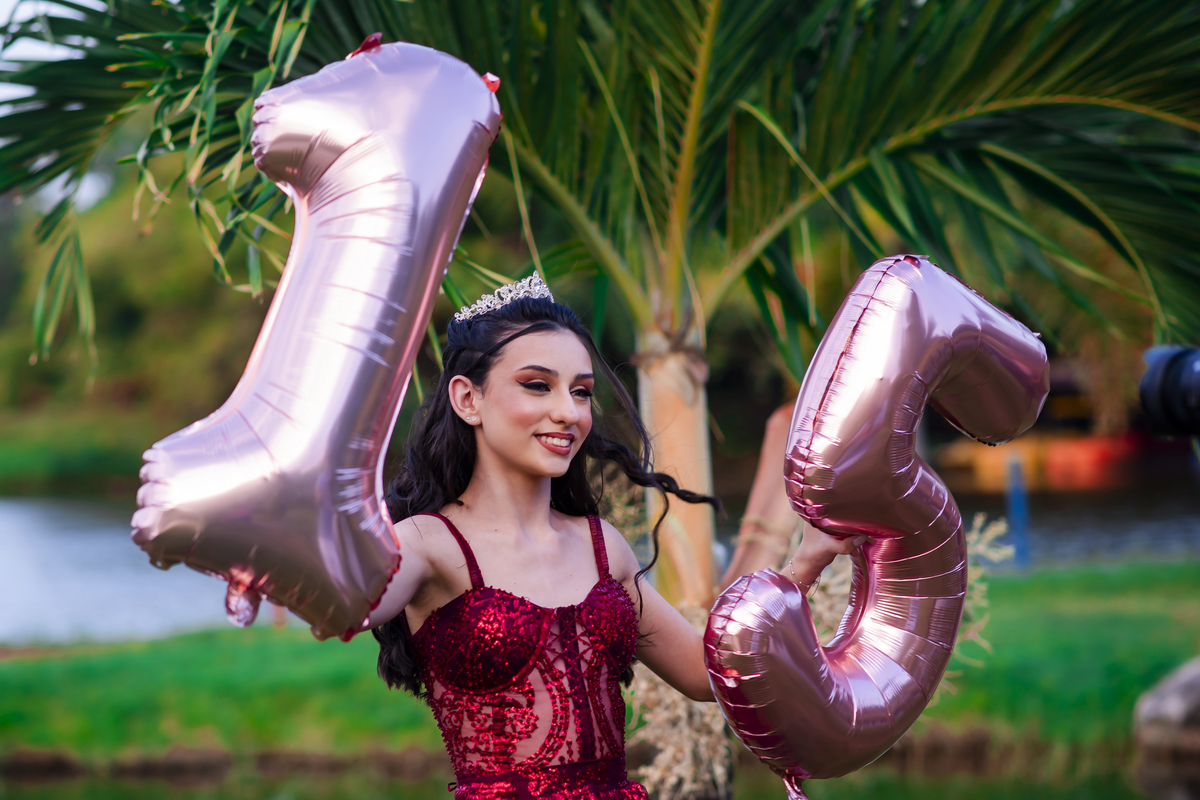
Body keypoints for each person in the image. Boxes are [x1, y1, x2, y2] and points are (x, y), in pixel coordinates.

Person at [368, 274, 858, 799]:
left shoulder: (602, 545)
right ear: (468, 398)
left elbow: (702, 672)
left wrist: (804, 566)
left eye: (581, 391)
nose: (568, 411)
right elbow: (348, 603)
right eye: (538, 385)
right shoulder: (425, 543)